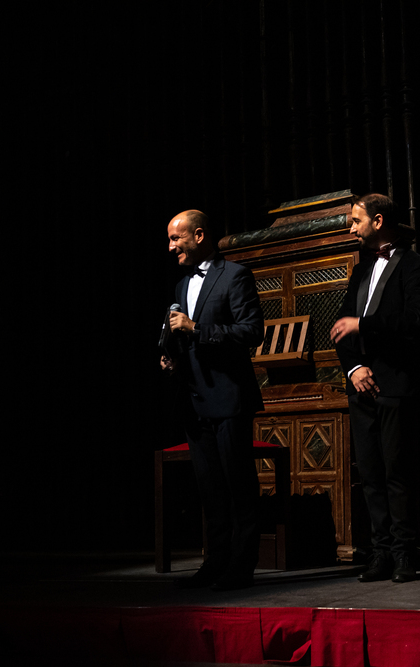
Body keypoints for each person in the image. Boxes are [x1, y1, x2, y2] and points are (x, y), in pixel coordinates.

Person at [331, 193, 420, 583]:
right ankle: (380, 552)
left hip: (395, 383)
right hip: (362, 386)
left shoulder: (414, 265)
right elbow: (341, 327)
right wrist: (354, 366)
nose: (351, 228)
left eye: (355, 220)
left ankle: (405, 553)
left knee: (397, 473)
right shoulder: (359, 270)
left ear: (377, 221)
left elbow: (418, 320)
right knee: (370, 474)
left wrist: (365, 325)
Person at [161, 209, 265, 591]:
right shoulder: (181, 284)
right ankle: (215, 561)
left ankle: (242, 565)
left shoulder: (234, 275)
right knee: (209, 488)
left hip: (229, 397)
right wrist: (173, 357)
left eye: (177, 238)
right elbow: (186, 338)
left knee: (238, 485)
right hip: (194, 399)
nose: (171, 247)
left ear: (199, 235)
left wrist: (196, 328)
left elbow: (252, 331)